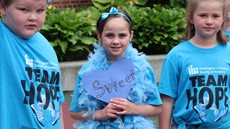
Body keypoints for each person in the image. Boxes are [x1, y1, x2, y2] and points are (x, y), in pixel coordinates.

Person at [69, 6, 162, 129]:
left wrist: (133, 108)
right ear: (99, 36)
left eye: (122, 35)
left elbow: (157, 108)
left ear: (131, 35)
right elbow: (74, 112)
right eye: (110, 35)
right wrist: (100, 114)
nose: (116, 41)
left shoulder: (142, 68)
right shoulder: (88, 72)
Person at [158, 0, 230, 129]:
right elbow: (167, 100)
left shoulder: (228, 52)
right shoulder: (176, 55)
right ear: (190, 17)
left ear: (223, 18)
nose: (209, 21)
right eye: (202, 15)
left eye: (215, 16)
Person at [0, 0, 65, 128]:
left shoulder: (47, 47)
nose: (33, 17)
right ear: (3, 7)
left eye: (40, 10)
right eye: (24, 9)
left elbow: (57, 103)